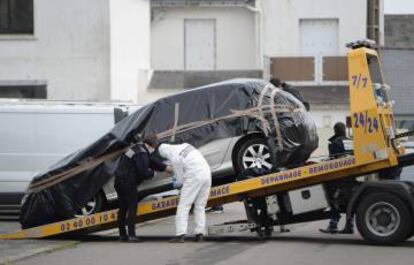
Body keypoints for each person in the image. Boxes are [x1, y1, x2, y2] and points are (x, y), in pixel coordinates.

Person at [144, 135, 212, 243]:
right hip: (207, 173)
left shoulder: (175, 158)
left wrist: (177, 184)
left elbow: (180, 181)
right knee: (200, 206)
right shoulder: (185, 145)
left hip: (194, 175)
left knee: (184, 205)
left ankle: (180, 234)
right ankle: (200, 234)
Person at [114, 134, 171, 242]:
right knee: (132, 208)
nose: (154, 151)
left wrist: (164, 168)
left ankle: (122, 235)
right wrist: (152, 174)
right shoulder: (142, 153)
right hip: (128, 183)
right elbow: (143, 171)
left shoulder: (137, 148)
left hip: (119, 181)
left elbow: (150, 162)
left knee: (122, 208)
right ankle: (132, 236)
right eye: (154, 148)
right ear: (150, 146)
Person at [319, 122, 356, 234]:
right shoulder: (351, 141)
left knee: (332, 198)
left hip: (338, 178)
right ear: (344, 130)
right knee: (350, 201)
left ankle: (333, 225)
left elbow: (333, 162)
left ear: (335, 131)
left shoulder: (334, 143)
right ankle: (349, 226)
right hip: (351, 176)